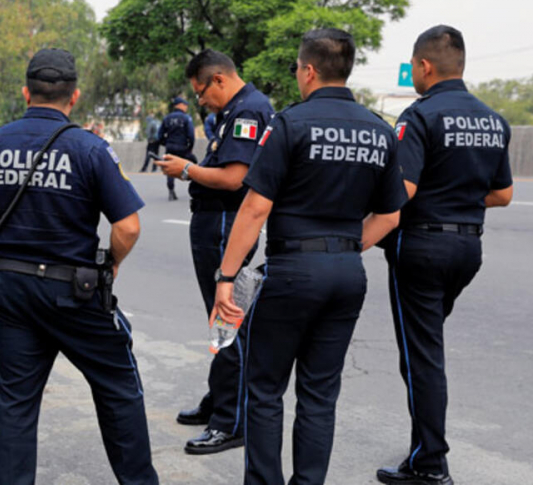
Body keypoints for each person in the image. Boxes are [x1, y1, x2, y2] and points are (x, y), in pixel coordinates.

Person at [0, 48, 159, 485]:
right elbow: (129, 227)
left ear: (26, 93)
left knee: (17, 404)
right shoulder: (89, 148)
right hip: (74, 294)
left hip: (10, 290)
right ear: (74, 97)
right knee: (118, 390)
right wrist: (111, 264)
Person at [212, 28, 407, 484]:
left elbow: (255, 206)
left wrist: (227, 276)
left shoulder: (290, 123)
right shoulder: (379, 129)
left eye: (298, 70)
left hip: (292, 273)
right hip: (346, 273)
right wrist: (341, 249)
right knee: (319, 395)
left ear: (310, 70)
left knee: (264, 390)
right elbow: (392, 215)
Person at [376, 26, 513, 485]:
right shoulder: (494, 119)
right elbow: (504, 194)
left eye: (414, 66)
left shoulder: (419, 116)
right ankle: (424, 449)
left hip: (421, 248)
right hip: (467, 248)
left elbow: (402, 192)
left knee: (421, 358)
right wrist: (458, 201)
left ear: (424, 66)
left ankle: (430, 463)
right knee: (426, 348)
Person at [155, 49, 275, 455]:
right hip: (216, 221)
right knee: (219, 315)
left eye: (201, 91)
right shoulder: (237, 109)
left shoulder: (247, 111)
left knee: (228, 318)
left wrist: (185, 169)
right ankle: (220, 398)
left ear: (219, 79)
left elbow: (233, 178)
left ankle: (232, 421)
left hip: (226, 222)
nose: (200, 101)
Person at [158, 96, 196, 200]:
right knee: (194, 164)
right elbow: (191, 135)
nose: (186, 107)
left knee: (169, 168)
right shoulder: (186, 118)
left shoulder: (167, 118)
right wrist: (190, 147)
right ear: (180, 105)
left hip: (170, 147)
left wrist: (166, 143)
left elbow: (160, 135)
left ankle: (171, 191)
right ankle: (198, 189)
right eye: (185, 105)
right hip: (183, 147)